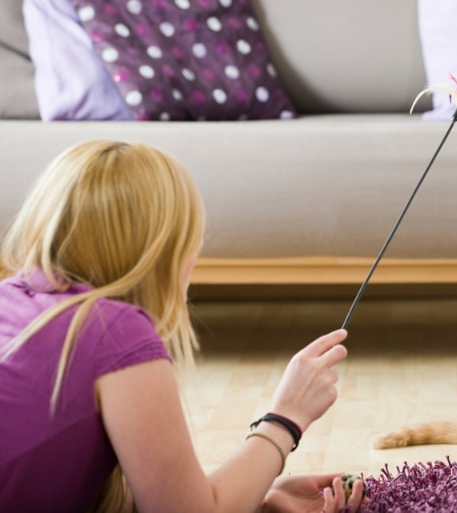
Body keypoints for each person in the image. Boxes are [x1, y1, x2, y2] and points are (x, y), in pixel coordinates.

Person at [0, 140, 366, 512]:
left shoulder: (9, 298)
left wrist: (253, 498)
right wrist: (285, 418)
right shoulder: (116, 332)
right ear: (162, 256)